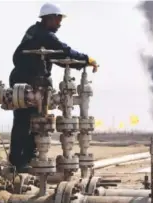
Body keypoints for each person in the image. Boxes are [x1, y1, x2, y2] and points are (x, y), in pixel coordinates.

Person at [8, 2, 99, 172]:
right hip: (28, 82)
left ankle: (25, 158)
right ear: (48, 19)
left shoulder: (35, 32)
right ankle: (19, 161)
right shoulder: (45, 35)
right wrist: (86, 59)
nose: (59, 23)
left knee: (31, 122)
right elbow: (64, 51)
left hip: (27, 80)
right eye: (57, 20)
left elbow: (55, 57)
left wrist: (79, 64)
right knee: (25, 122)